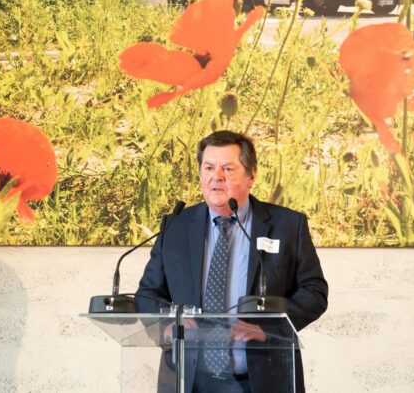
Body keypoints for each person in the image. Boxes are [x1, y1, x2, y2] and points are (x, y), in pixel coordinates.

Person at [136, 131, 328, 393]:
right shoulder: (176, 227)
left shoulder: (287, 225)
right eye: (209, 167)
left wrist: (269, 328)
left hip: (263, 379)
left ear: (251, 176)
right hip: (188, 380)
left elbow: (314, 292)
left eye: (228, 168)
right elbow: (148, 294)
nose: (217, 177)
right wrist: (166, 326)